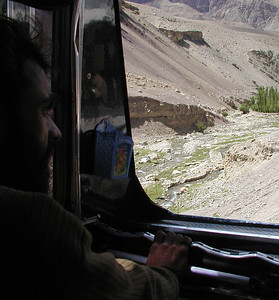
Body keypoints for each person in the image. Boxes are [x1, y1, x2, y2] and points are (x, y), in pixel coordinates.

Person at [0, 16, 191, 299]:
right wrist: (165, 272)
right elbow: (121, 291)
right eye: (42, 110)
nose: (56, 131)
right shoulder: (32, 223)